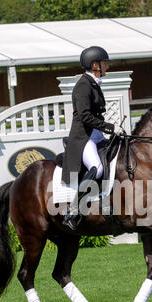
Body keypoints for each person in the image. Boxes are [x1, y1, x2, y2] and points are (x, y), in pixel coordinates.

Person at [62, 46, 124, 230]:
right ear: (95, 64)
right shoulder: (82, 85)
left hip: (96, 135)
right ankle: (73, 209)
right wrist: (110, 127)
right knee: (96, 168)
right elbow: (84, 116)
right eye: (105, 63)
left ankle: (107, 203)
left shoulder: (94, 83)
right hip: (83, 138)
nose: (107, 66)